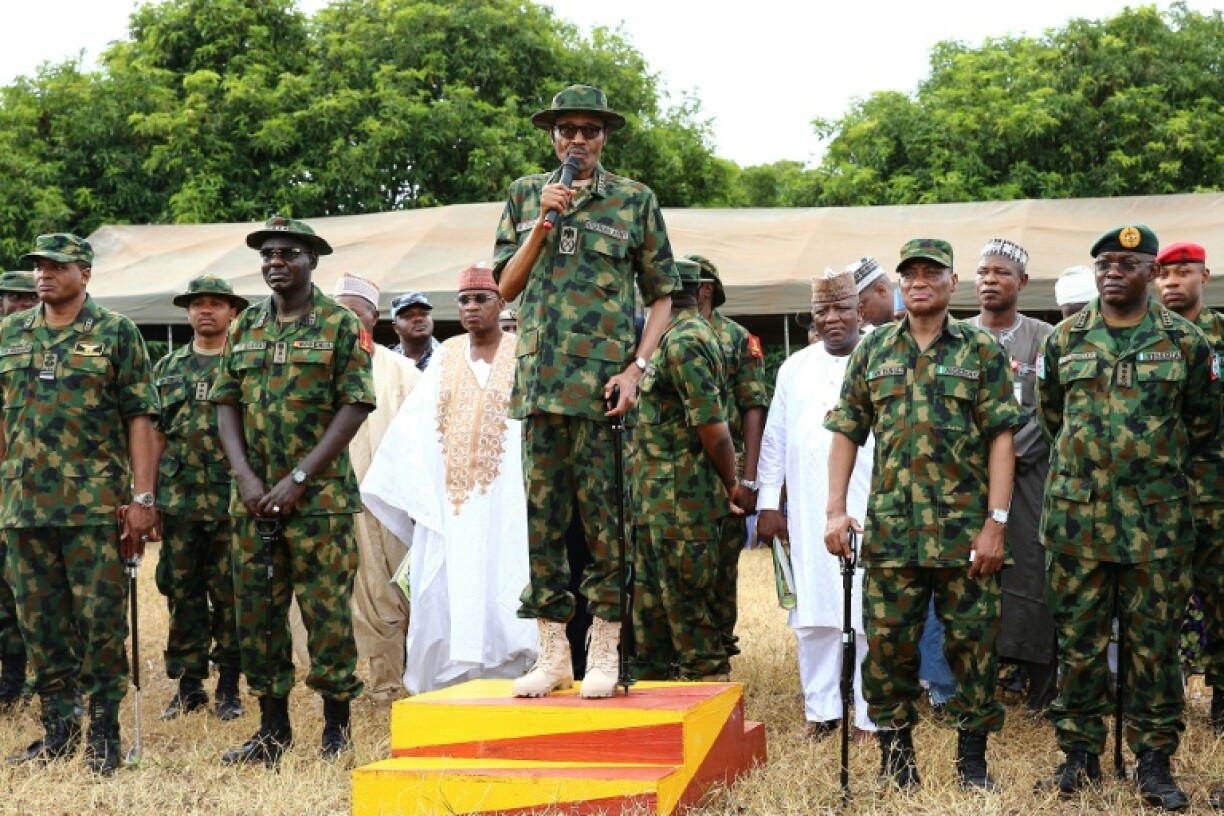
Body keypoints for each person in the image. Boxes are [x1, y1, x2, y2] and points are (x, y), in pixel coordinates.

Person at [494, 84, 679, 699]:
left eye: (590, 130)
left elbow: (662, 294)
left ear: (604, 138)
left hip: (603, 393)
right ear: (553, 136)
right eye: (567, 129)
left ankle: (603, 646)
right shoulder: (526, 194)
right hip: (540, 390)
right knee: (543, 525)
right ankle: (552, 654)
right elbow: (506, 287)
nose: (578, 140)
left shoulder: (634, 201)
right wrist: (542, 223)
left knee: (606, 526)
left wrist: (638, 369)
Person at [824, 238, 1023, 791]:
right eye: (908, 273)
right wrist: (834, 511)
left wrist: (997, 522)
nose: (918, 281)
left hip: (965, 534)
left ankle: (972, 760)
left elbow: (1001, 437)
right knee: (888, 648)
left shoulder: (979, 350)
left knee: (974, 647)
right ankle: (896, 758)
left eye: (930, 272)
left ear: (950, 281)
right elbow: (845, 431)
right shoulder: (872, 350)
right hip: (892, 534)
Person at [1036, 225, 1217, 810]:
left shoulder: (1186, 343)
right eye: (1104, 263)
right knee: (1080, 645)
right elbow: (1052, 420)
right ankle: (1079, 759)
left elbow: (1204, 427)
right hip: (1078, 526)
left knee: (1154, 649)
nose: (1113, 272)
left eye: (1127, 263)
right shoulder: (1065, 341)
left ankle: (1155, 763)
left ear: (1147, 270)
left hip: (1157, 527)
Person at [211, 216, 374, 766]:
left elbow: (354, 405)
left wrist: (299, 477)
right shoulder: (245, 325)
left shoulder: (337, 324)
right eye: (268, 254)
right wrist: (245, 477)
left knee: (326, 613)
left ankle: (336, 729)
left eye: (288, 253)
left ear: (312, 260)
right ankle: (272, 730)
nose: (275, 262)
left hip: (319, 503)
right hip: (253, 503)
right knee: (257, 615)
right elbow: (225, 401)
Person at [0, 234, 159, 774]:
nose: (43, 275)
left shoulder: (117, 332)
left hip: (95, 508)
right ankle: (58, 730)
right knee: (39, 624)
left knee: (100, 624)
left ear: (84, 273)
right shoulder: (11, 332)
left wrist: (143, 498)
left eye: (55, 266)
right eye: (38, 267)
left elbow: (141, 417)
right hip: (24, 508)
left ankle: (104, 735)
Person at [362, 264, 536, 693]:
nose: (472, 307)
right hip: (450, 503)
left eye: (482, 299)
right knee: (444, 585)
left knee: (508, 573)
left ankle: (514, 672)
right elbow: (412, 430)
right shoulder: (446, 356)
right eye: (464, 300)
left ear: (502, 303)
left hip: (510, 497)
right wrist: (421, 495)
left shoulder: (524, 353)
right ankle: (452, 683)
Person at [757, 271, 876, 739]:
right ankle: (822, 712)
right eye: (822, 311)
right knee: (813, 617)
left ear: (860, 310)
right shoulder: (794, 368)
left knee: (868, 615)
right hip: (808, 512)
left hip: (869, 506)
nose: (833, 319)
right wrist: (770, 504)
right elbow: (775, 440)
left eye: (842, 308)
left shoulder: (879, 358)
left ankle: (870, 717)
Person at [631, 258, 739, 680]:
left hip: (683, 506)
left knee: (691, 618)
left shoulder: (686, 341)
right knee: (655, 619)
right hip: (660, 504)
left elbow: (714, 430)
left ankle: (711, 718)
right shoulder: (671, 336)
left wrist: (732, 482)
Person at [154, 275, 249, 723]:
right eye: (197, 304)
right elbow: (153, 432)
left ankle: (230, 686)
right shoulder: (167, 368)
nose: (205, 311)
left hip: (233, 500)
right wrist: (148, 497)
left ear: (233, 312)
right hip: (179, 501)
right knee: (181, 592)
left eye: (215, 304)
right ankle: (188, 685)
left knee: (232, 594)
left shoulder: (245, 364)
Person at [968, 239, 1057, 713]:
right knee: (968, 576)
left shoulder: (1045, 337)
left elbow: (1051, 411)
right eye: (982, 273)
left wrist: (1007, 457)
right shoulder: (956, 334)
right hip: (964, 478)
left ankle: (1038, 690)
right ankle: (972, 687)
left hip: (1029, 476)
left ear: (1021, 282)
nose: (989, 281)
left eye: (1001, 273)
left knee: (1030, 572)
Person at [330, 273, 419, 703]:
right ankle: (335, 682)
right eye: (335, 312)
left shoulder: (401, 372)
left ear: (373, 317)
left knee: (390, 593)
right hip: (329, 503)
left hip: (388, 506)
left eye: (352, 312)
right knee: (333, 596)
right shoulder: (314, 368)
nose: (342, 321)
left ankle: (391, 683)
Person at [686, 253, 768, 673]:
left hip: (722, 475)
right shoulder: (662, 333)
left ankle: (717, 658)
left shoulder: (737, 338)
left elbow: (754, 408)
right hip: (672, 477)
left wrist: (749, 479)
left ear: (703, 290)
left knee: (718, 573)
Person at [1153, 242, 1224, 720]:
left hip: (1216, 492)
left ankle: (1221, 695)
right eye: (1164, 275)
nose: (1172, 282)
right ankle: (1160, 700)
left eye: (1183, 272)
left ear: (1205, 276)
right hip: (1159, 495)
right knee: (1156, 603)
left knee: (1220, 596)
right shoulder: (1147, 335)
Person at [0, 270, 37, 709]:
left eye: (31, 298)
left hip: (24, 488)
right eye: (15, 297)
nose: (25, 305)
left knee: (21, 588)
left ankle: (17, 677)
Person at [390, 291, 438, 371]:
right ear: (396, 327)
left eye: (424, 314)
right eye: (409, 316)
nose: (418, 319)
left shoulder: (449, 356)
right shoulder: (387, 360)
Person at [848, 257, 897, 329]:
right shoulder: (874, 336)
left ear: (881, 290)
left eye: (862, 306)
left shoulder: (916, 324)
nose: (860, 315)